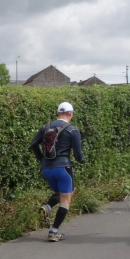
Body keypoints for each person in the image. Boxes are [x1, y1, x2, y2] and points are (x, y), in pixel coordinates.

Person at [29, 102, 84, 242]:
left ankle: (47, 206)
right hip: (63, 168)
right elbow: (78, 155)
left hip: (46, 169)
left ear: (58, 113)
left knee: (59, 194)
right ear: (70, 113)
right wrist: (81, 160)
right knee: (66, 200)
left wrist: (41, 159)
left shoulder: (45, 127)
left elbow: (33, 144)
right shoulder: (72, 129)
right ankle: (53, 232)